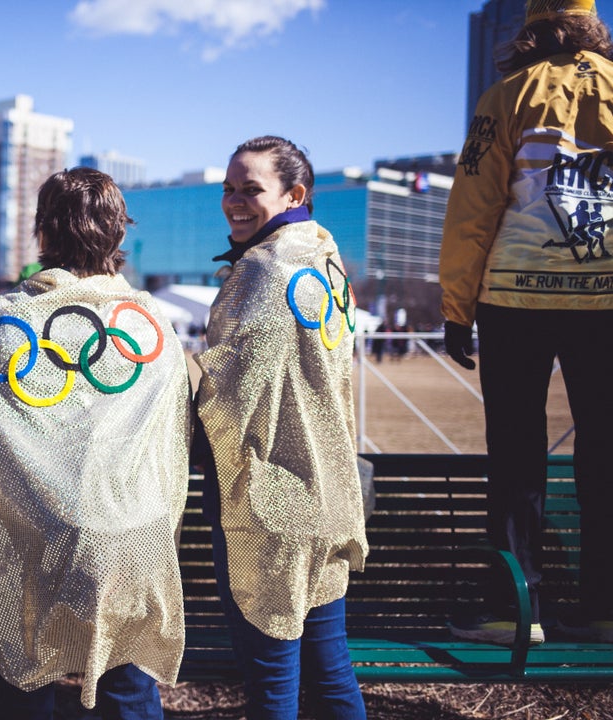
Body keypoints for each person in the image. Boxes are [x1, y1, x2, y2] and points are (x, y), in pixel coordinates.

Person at [0, 167, 190, 719]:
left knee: (29, 669)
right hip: (134, 529)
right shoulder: (149, 321)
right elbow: (173, 434)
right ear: (118, 234)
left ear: (43, 233)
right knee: (128, 672)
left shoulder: (9, 319)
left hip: (38, 528)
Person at [439, 0, 613, 645]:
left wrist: (457, 308)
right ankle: (605, 608)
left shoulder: (506, 95)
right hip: (606, 299)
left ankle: (515, 611)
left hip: (515, 297)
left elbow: (473, 206)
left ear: (532, 27)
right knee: (608, 452)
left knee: (515, 454)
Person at [194, 136, 368, 720]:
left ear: (294, 194)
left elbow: (230, 399)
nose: (234, 202)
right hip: (329, 492)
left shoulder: (264, 268)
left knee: (273, 689)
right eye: (228, 189)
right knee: (330, 671)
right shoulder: (324, 256)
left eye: (250, 190)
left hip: (269, 505)